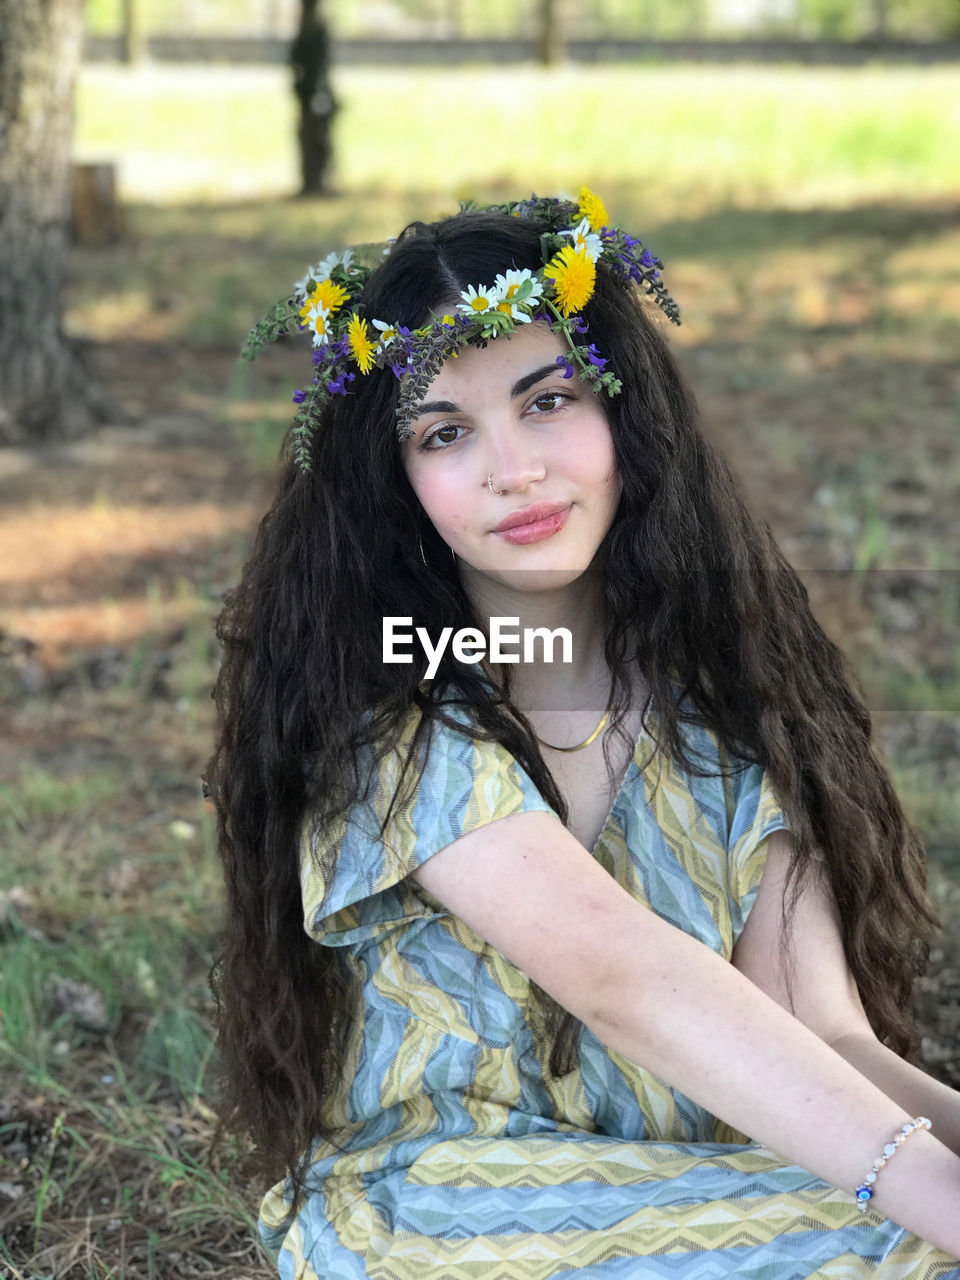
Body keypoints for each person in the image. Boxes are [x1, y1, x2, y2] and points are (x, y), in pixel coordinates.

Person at [206, 189, 960, 1278]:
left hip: (682, 1189)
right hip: (450, 1206)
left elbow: (827, 1036)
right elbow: (622, 974)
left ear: (629, 415)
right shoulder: (398, 719)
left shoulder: (722, 714)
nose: (513, 467)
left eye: (549, 399)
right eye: (446, 430)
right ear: (395, 479)